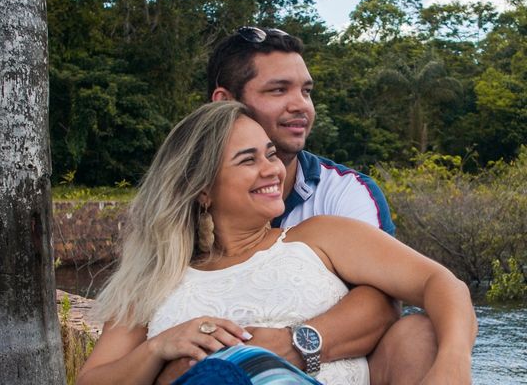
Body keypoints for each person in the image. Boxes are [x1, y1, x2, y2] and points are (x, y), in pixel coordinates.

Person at [77, 101, 477, 385]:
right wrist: (159, 348)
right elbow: (93, 379)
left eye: (270, 154)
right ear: (202, 190)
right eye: (248, 160)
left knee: (420, 331)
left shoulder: (321, 236)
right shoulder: (157, 277)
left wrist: (452, 363)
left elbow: (441, 285)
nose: (272, 169)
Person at [192, 26, 437, 383]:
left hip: (332, 369)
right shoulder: (185, 200)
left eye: (306, 91)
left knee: (418, 332)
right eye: (279, 90)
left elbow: (383, 301)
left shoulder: (345, 194)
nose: (301, 105)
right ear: (225, 101)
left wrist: (289, 346)